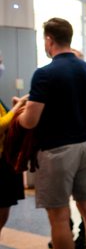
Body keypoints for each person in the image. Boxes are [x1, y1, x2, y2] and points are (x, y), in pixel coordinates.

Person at [18, 17, 86, 249]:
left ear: (49, 40)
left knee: (58, 216)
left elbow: (30, 121)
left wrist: (18, 113)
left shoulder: (44, 74)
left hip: (56, 152)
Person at [0, 52, 28, 238]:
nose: (1, 66)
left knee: (4, 205)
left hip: (4, 158)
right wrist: (18, 108)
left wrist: (14, 109)